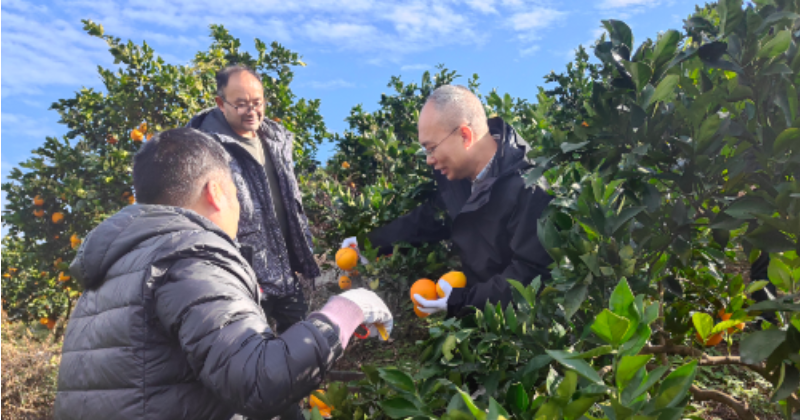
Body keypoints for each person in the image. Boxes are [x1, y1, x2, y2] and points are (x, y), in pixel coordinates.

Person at [53, 128, 393, 420]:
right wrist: (350, 307)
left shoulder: (112, 267)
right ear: (216, 191)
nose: (239, 207)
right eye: (235, 192)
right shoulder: (191, 254)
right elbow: (260, 380)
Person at [344, 85, 553, 318]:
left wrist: (462, 303)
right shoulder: (460, 177)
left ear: (465, 136)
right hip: (480, 319)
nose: (429, 160)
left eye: (431, 148)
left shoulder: (528, 188)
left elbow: (530, 274)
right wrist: (367, 244)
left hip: (519, 327)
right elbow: (428, 219)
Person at [187, 65, 317, 334]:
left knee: (303, 347)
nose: (252, 111)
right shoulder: (203, 148)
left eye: (257, 103)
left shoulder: (276, 139)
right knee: (248, 352)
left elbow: (289, 202)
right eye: (241, 104)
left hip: (284, 274)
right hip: (243, 281)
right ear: (221, 103)